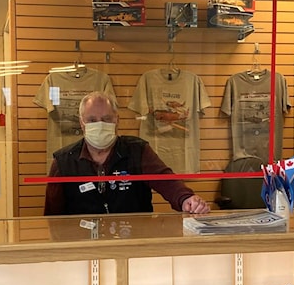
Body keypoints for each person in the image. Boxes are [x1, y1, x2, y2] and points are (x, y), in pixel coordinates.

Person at [43, 91, 211, 216]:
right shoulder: (63, 161)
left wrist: (186, 199)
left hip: (135, 243)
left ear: (117, 120)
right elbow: (52, 216)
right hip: (82, 247)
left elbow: (165, 179)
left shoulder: (137, 150)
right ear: (82, 123)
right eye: (92, 120)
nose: (100, 124)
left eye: (107, 119)